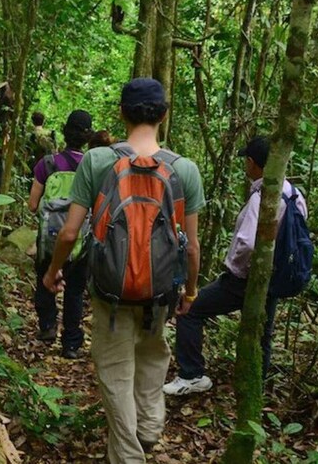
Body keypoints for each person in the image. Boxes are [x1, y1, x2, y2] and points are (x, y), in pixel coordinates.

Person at [43, 79, 205, 463]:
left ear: (121, 113)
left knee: (116, 371)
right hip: (160, 291)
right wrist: (191, 292)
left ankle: (129, 455)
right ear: (164, 115)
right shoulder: (185, 169)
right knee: (152, 358)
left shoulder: (98, 160)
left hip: (110, 290)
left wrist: (52, 272)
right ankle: (148, 430)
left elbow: (69, 232)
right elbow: (192, 246)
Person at [163, 135, 308, 396]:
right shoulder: (294, 194)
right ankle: (255, 388)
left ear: (253, 163)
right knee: (262, 332)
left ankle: (191, 374)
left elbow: (249, 244)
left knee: (190, 309)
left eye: (247, 162)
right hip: (275, 279)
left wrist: (234, 268)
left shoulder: (262, 198)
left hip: (245, 279)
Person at [29, 110, 93, 359]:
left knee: (45, 279)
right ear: (87, 137)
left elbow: (33, 204)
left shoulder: (47, 164)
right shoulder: (92, 167)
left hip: (50, 237)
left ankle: (47, 327)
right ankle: (71, 344)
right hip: (81, 239)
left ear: (65, 132)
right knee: (75, 290)